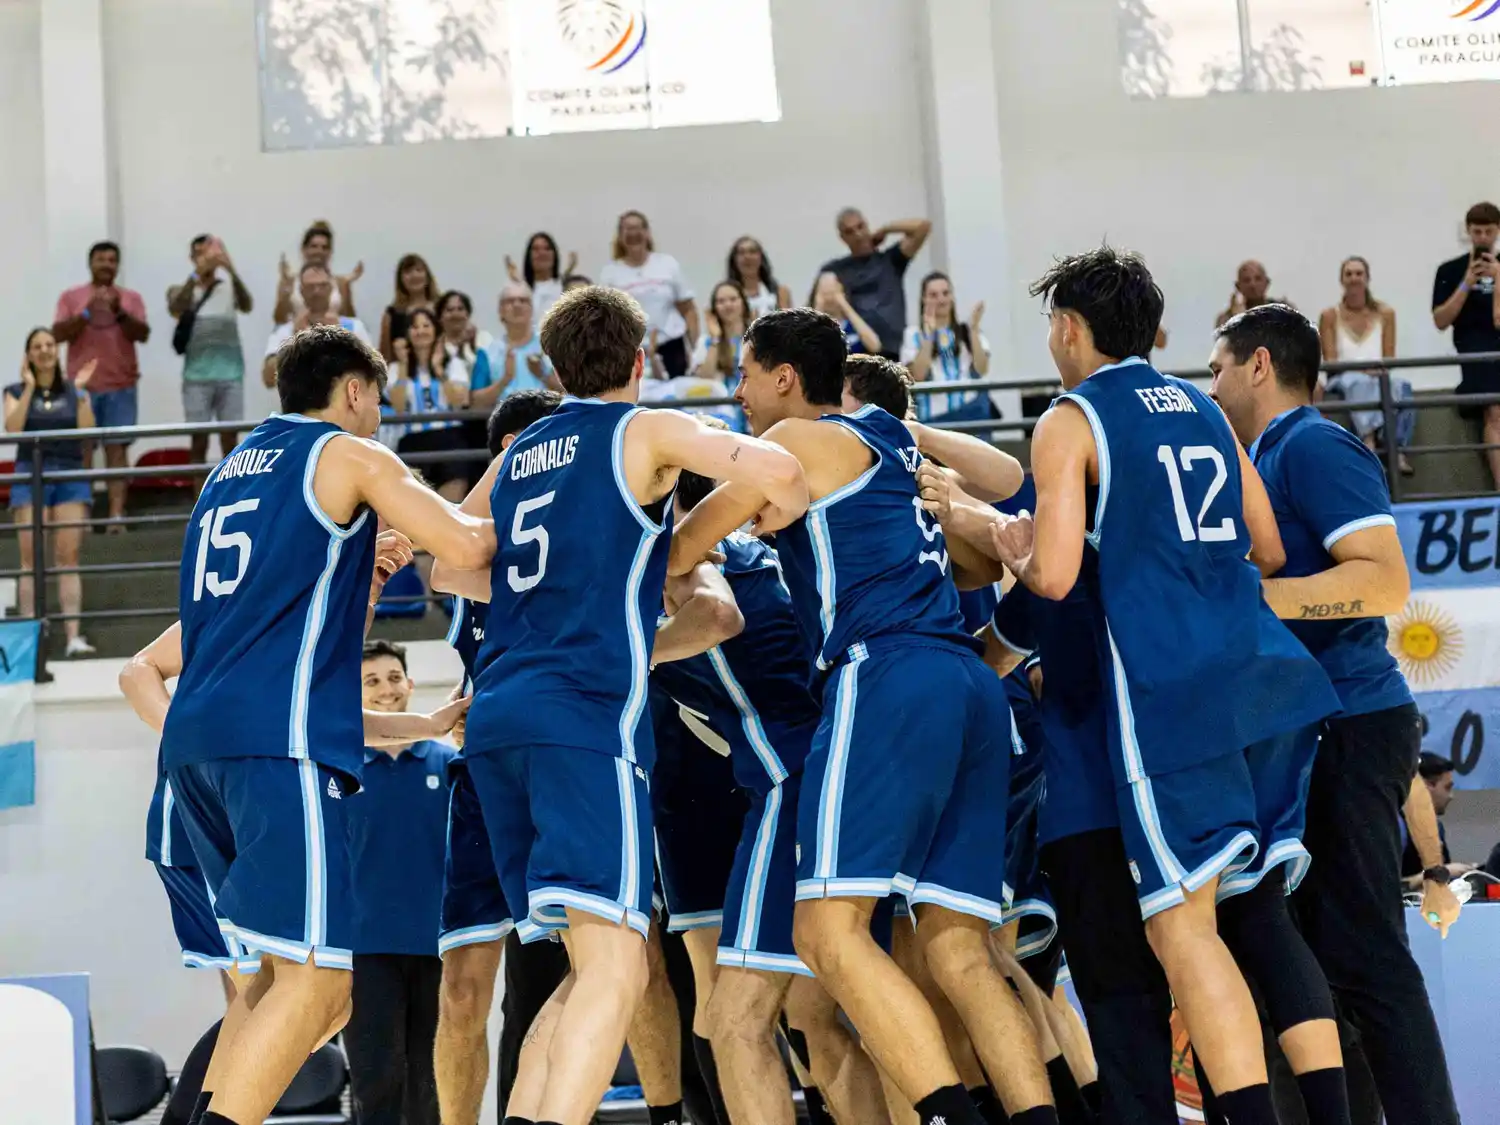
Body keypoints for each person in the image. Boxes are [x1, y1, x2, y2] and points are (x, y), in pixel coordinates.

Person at [428, 286, 808, 1125]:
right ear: (640, 360)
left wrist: (564, 580)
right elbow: (780, 470)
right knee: (619, 966)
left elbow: (450, 567)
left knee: (590, 967)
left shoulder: (522, 448)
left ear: (555, 367)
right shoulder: (644, 430)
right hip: (582, 718)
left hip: (496, 714)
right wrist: (761, 510)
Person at [671, 313, 1058, 1125]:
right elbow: (979, 553)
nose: (738, 392)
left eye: (745, 373)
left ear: (785, 377)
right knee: (961, 949)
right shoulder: (886, 434)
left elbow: (680, 549)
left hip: (885, 672)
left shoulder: (793, 445)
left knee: (826, 932)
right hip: (968, 677)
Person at [985, 249, 1343, 1125]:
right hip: (1262, 683)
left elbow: (1056, 576)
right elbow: (1267, 547)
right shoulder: (1203, 405)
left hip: (1168, 692)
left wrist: (1010, 550)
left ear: (1069, 328)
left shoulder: (1071, 418)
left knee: (1181, 929)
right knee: (1251, 918)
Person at [158, 324, 495, 1125]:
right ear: (352, 390)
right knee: (319, 982)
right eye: (376, 399)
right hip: (274, 740)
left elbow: (286, 623)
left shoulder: (226, 473)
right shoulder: (347, 454)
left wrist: (362, 580)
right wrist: (520, 468)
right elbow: (465, 542)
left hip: (196, 741)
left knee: (276, 985)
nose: (379, 416)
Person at [1209, 302, 1462, 1125]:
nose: (1210, 386)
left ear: (1258, 365)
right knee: (1321, 964)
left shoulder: (1314, 444)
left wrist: (1253, 599)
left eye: (1217, 367)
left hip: (1350, 719)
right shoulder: (1262, 457)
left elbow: (1385, 579)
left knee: (1366, 957)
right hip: (1307, 727)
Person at [118, 611, 466, 1125]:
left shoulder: (316, 640)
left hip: (238, 818)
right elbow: (138, 669)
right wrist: (191, 733)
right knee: (291, 996)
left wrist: (430, 724)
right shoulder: (274, 601)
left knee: (281, 1000)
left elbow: (321, 715)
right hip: (216, 818)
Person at [651, 453, 887, 1125]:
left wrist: (629, 655)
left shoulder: (688, 555)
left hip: (793, 780)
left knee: (735, 1018)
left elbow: (716, 617)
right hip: (847, 769)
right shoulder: (764, 550)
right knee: (817, 1018)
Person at [431, 389, 569, 1125]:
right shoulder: (468, 555)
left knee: (566, 982)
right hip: (482, 781)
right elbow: (446, 547)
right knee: (461, 992)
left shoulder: (579, 539)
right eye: (513, 454)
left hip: (563, 767)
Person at [344, 638, 455, 1125]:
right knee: (376, 1081)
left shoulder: (448, 764)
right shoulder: (340, 767)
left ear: (410, 685)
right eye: (371, 681)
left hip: (439, 945)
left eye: (393, 678)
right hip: (362, 948)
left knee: (432, 1081)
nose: (386, 689)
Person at [5, 329, 98, 657]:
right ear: (28, 354)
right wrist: (30, 387)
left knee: (67, 558)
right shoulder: (15, 390)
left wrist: (82, 392)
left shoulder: (74, 390)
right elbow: (12, 428)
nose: (44, 350)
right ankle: (28, 640)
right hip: (29, 473)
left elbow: (87, 430)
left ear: (56, 351)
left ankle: (73, 637)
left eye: (49, 345)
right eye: (37, 346)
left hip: (69, 473)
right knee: (30, 560)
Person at [51, 240, 150, 528]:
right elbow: (57, 334)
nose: (107, 264)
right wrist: (87, 312)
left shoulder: (131, 298)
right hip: (81, 389)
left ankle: (116, 516)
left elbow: (142, 334)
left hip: (121, 385)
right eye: (101, 259)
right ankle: (80, 517)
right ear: (90, 263)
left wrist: (119, 311)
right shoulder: (71, 297)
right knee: (81, 452)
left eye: (112, 260)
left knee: (117, 452)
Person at [1318, 256, 1413, 474]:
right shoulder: (1330, 315)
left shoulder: (1385, 313)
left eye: (1359, 273)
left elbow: (1389, 356)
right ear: (1341, 280)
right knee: (1358, 382)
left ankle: (1398, 449)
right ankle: (1368, 442)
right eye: (1349, 274)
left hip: (1378, 375)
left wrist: (1374, 371)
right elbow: (1330, 360)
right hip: (1342, 378)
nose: (1354, 278)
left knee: (1402, 387)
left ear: (1368, 278)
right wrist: (1362, 370)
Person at [169, 235, 254, 466]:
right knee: (198, 440)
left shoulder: (228, 287)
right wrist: (196, 275)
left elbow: (247, 305)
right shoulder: (182, 289)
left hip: (231, 374)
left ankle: (229, 487)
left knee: (231, 441)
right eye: (199, 253)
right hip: (196, 377)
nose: (205, 258)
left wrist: (230, 269)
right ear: (191, 258)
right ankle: (199, 489)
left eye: (209, 253)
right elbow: (176, 306)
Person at [1433, 201, 1500, 488]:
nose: (1483, 238)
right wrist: (1467, 282)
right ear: (1468, 231)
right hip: (1476, 351)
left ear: (1497, 231)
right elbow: (1440, 320)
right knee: (1495, 411)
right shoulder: (1450, 270)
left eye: (1489, 231)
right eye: (1477, 232)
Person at [599, 210, 700, 379]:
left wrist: (696, 350)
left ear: (647, 232)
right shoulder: (610, 274)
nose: (633, 233)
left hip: (671, 347)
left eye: (638, 228)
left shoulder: (667, 264)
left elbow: (688, 310)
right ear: (620, 236)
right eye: (628, 229)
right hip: (631, 351)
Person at [820, 207, 931, 359]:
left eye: (860, 227)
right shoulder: (836, 269)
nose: (858, 235)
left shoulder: (891, 260)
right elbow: (818, 304)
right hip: (856, 353)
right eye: (849, 231)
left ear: (867, 225)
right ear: (842, 238)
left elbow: (923, 227)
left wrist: (885, 230)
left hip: (894, 352)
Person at [387, 308, 471, 503]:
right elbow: (398, 406)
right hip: (413, 440)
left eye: (426, 325)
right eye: (414, 327)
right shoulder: (396, 368)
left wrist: (439, 370)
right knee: (417, 504)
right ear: (407, 333)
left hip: (449, 438)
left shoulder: (453, 363)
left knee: (452, 502)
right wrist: (403, 365)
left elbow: (459, 402)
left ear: (436, 330)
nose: (420, 331)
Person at [262, 265, 373, 388]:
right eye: (310, 287)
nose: (317, 291)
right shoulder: (285, 331)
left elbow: (372, 373)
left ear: (330, 288)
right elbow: (269, 379)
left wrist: (339, 339)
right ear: (301, 291)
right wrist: (296, 342)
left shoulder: (354, 327)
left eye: (322, 285)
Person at [901, 271, 991, 423]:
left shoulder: (967, 330)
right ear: (923, 299)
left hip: (971, 411)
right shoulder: (912, 334)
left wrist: (973, 330)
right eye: (933, 295)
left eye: (945, 293)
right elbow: (917, 376)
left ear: (952, 297)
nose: (941, 300)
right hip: (933, 417)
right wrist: (929, 335)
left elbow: (982, 369)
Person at [470, 283, 558, 410]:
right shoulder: (487, 352)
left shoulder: (552, 345)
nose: (517, 305)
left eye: (523, 300)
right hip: (504, 420)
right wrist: (505, 379)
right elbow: (475, 403)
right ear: (501, 311)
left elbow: (575, 394)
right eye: (510, 301)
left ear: (531, 309)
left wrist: (543, 375)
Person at [274, 220, 361, 326]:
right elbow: (279, 319)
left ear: (330, 252)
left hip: (332, 334)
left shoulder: (340, 283)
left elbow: (351, 321)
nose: (319, 251)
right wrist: (285, 290)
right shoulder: (290, 282)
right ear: (304, 249)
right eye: (314, 246)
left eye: (324, 247)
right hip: (299, 334)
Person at [1400, 753, 1469, 881]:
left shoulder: (1437, 828)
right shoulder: (1397, 828)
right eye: (1447, 788)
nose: (1451, 796)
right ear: (1428, 786)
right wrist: (1436, 873)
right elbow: (1385, 886)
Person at [509, 231, 577, 329]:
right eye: (536, 249)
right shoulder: (521, 290)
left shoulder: (565, 288)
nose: (542, 253)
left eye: (547, 249)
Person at [379, 253, 441, 361]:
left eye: (419, 270)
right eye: (408, 272)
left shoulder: (441, 309)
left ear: (427, 277)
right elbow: (385, 357)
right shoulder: (391, 315)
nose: (414, 275)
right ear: (400, 280)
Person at [809, 272, 881, 356]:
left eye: (833, 292)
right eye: (824, 294)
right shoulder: (814, 327)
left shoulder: (855, 325)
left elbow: (875, 346)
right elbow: (806, 349)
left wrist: (844, 304)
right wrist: (818, 308)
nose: (829, 298)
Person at [726, 236, 790, 320]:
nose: (747, 257)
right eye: (741, 253)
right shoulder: (726, 297)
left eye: (752, 252)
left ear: (761, 258)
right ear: (734, 260)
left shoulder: (780, 292)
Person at [1215, 260, 1292, 328]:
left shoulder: (1284, 311)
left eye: (1258, 279)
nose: (1252, 285)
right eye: (1246, 280)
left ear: (1267, 282)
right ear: (1238, 286)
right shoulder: (1227, 319)